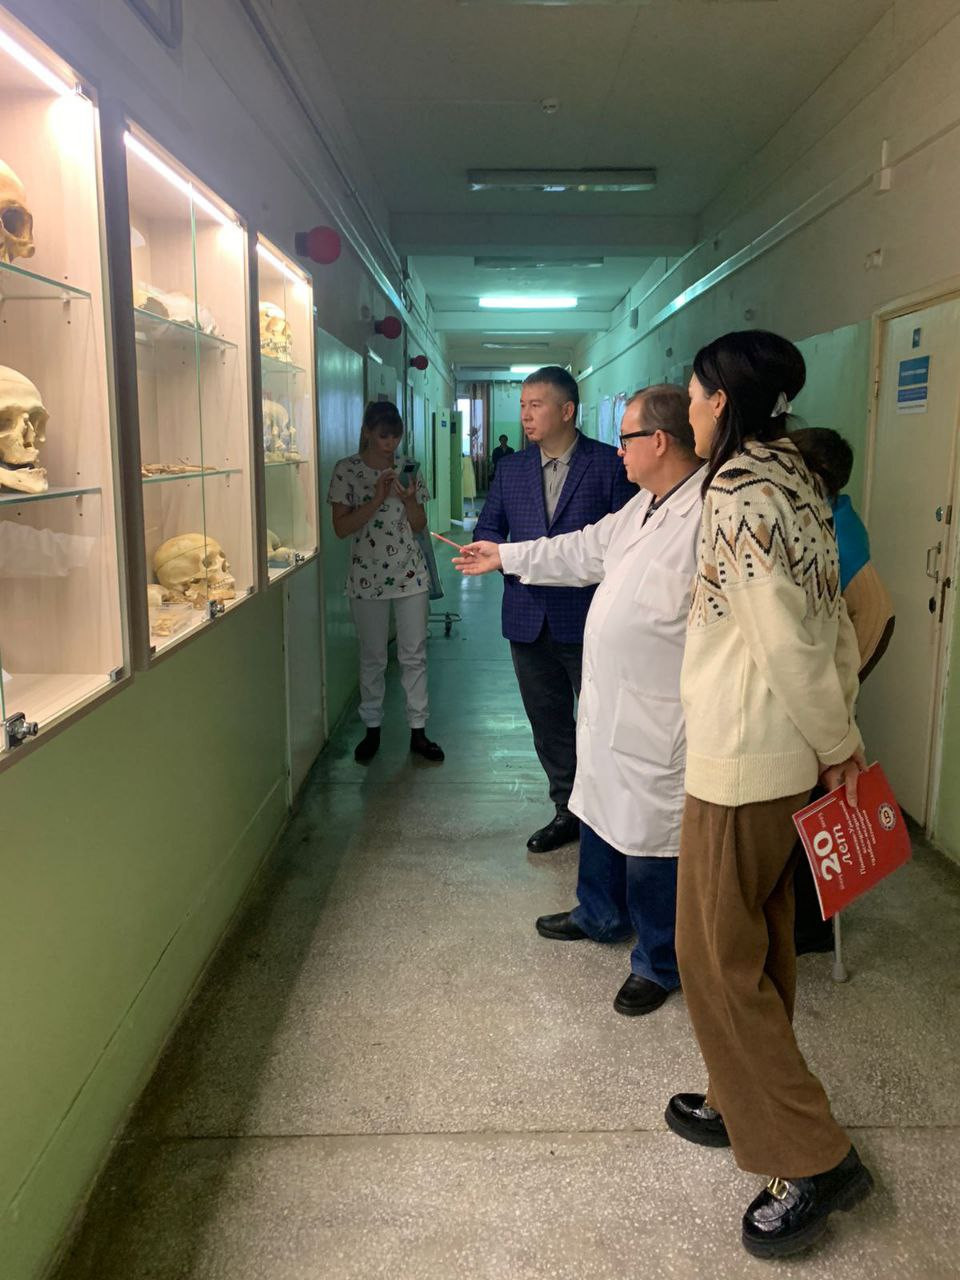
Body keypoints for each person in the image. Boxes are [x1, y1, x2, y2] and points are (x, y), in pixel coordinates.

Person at [666, 331, 874, 1259]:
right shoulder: (800, 478)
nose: (688, 409)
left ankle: (812, 1157)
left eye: (693, 395)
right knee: (760, 933)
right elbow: (833, 617)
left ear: (723, 400)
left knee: (714, 955)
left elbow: (785, 637)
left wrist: (835, 740)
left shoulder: (739, 490)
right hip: (783, 750)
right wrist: (837, 735)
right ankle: (735, 1096)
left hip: (743, 754)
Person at [455, 387, 702, 1015]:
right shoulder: (643, 505)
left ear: (659, 443)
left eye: (626, 439)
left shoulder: (705, 515)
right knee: (596, 806)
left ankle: (659, 959)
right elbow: (580, 549)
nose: (619, 450)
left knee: (651, 836)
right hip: (610, 701)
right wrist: (504, 554)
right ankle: (598, 913)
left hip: (659, 713)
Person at [473, 366, 636, 853]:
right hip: (528, 618)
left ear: (567, 410)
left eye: (536, 405)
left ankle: (610, 815)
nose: (525, 415)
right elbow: (489, 528)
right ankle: (567, 810)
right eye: (522, 405)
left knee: (604, 721)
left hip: (590, 619)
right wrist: (498, 556)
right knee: (548, 723)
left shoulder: (609, 465)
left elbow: (625, 545)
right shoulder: (511, 469)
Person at [788, 426, 896, 952]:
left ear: (816, 478)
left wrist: (839, 698)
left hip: (829, 689)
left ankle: (812, 927)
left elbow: (877, 618)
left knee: (818, 807)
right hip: (818, 686)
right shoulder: (819, 518)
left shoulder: (840, 535)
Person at [327, 401, 444, 764]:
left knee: (414, 653)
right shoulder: (347, 470)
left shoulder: (408, 469)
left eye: (395, 436)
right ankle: (372, 728)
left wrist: (409, 501)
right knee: (373, 656)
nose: (390, 444)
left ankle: (419, 730)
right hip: (367, 576)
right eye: (383, 436)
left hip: (410, 574)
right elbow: (341, 528)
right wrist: (377, 499)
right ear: (367, 432)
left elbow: (419, 525)